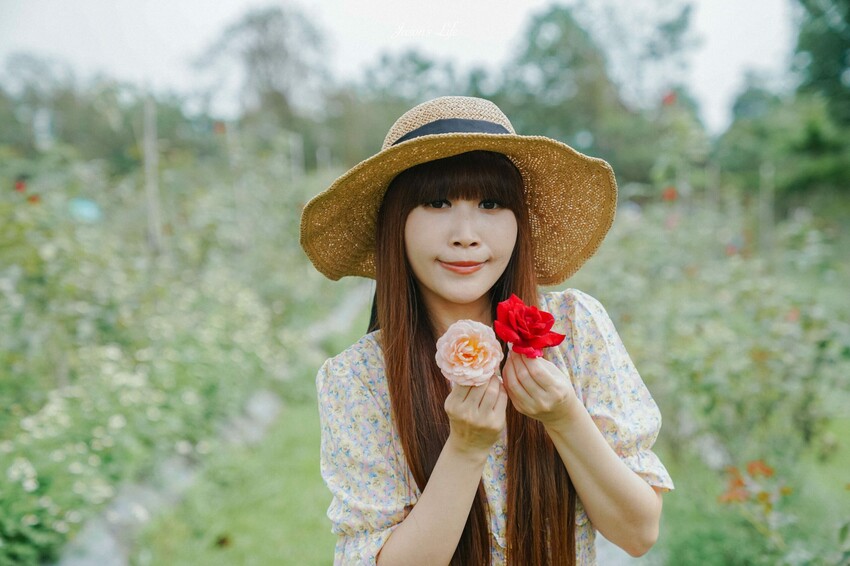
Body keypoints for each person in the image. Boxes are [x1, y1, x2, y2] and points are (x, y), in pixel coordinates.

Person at [300, 96, 674, 566]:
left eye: (491, 203)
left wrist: (564, 418)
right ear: (396, 223)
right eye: (436, 202)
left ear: (519, 220)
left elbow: (638, 533)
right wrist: (465, 448)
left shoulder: (575, 329)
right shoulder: (358, 379)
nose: (466, 234)